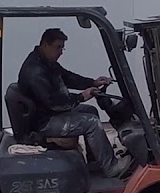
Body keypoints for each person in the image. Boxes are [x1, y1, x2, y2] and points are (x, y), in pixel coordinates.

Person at [17, 28, 133, 178]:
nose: (61, 52)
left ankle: (95, 161)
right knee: (91, 123)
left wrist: (93, 82)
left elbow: (68, 77)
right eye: (58, 47)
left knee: (91, 111)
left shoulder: (46, 62)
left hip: (48, 113)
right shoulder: (35, 71)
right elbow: (54, 103)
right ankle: (111, 167)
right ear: (45, 45)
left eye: (62, 48)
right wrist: (81, 97)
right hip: (44, 121)